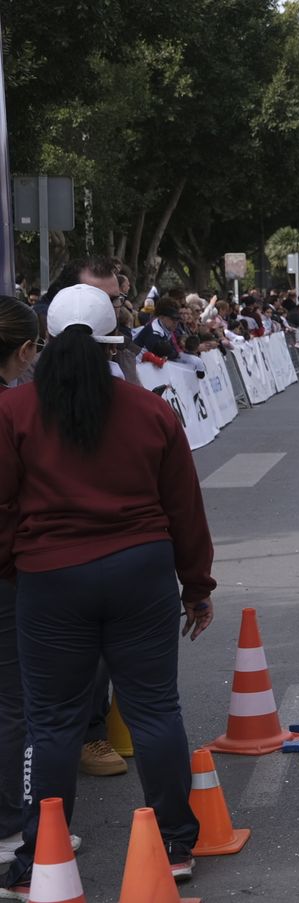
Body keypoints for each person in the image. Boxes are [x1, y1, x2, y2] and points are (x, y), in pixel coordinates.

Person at [0, 285, 214, 895]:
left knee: (53, 723)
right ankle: (175, 844)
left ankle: (38, 859)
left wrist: (18, 565)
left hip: (49, 580)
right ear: (111, 340)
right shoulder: (150, 410)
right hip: (140, 574)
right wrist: (196, 586)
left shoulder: (13, 412)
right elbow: (185, 510)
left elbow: (3, 505)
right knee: (154, 709)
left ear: (45, 337)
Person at [0, 297, 43, 866]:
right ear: (27, 350)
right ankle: (11, 828)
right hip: (7, 576)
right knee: (13, 703)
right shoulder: (12, 411)